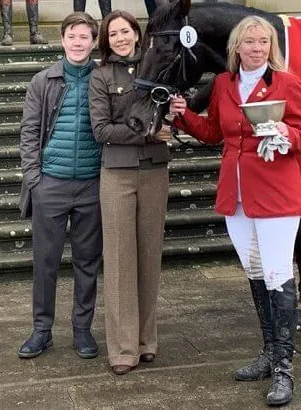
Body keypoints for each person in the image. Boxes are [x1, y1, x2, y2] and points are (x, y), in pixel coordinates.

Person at [169, 15, 301, 406]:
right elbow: (215, 132)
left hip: (276, 194)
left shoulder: (287, 83)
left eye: (263, 42)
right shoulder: (222, 84)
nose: (257, 48)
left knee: (277, 273)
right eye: (250, 42)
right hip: (236, 196)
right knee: (254, 272)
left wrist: (285, 133)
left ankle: (285, 369)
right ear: (236, 47)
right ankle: (269, 352)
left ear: (271, 47)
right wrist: (183, 113)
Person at [89, 9, 171, 376]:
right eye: (113, 34)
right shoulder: (101, 76)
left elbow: (170, 112)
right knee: (121, 260)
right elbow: (102, 130)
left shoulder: (157, 70)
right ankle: (123, 347)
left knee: (149, 257)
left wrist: (176, 115)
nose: (121, 38)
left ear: (138, 34)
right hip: (117, 174)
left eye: (126, 31)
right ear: (106, 41)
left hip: (155, 172)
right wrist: (149, 132)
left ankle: (146, 340)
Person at [18, 12, 102, 359]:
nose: (78, 42)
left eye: (85, 36)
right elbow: (28, 132)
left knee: (87, 262)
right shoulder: (43, 81)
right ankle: (42, 330)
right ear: (63, 40)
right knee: (46, 262)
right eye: (72, 36)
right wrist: (35, 180)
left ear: (95, 41)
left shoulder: (104, 79)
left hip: (92, 186)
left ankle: (82, 330)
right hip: (50, 184)